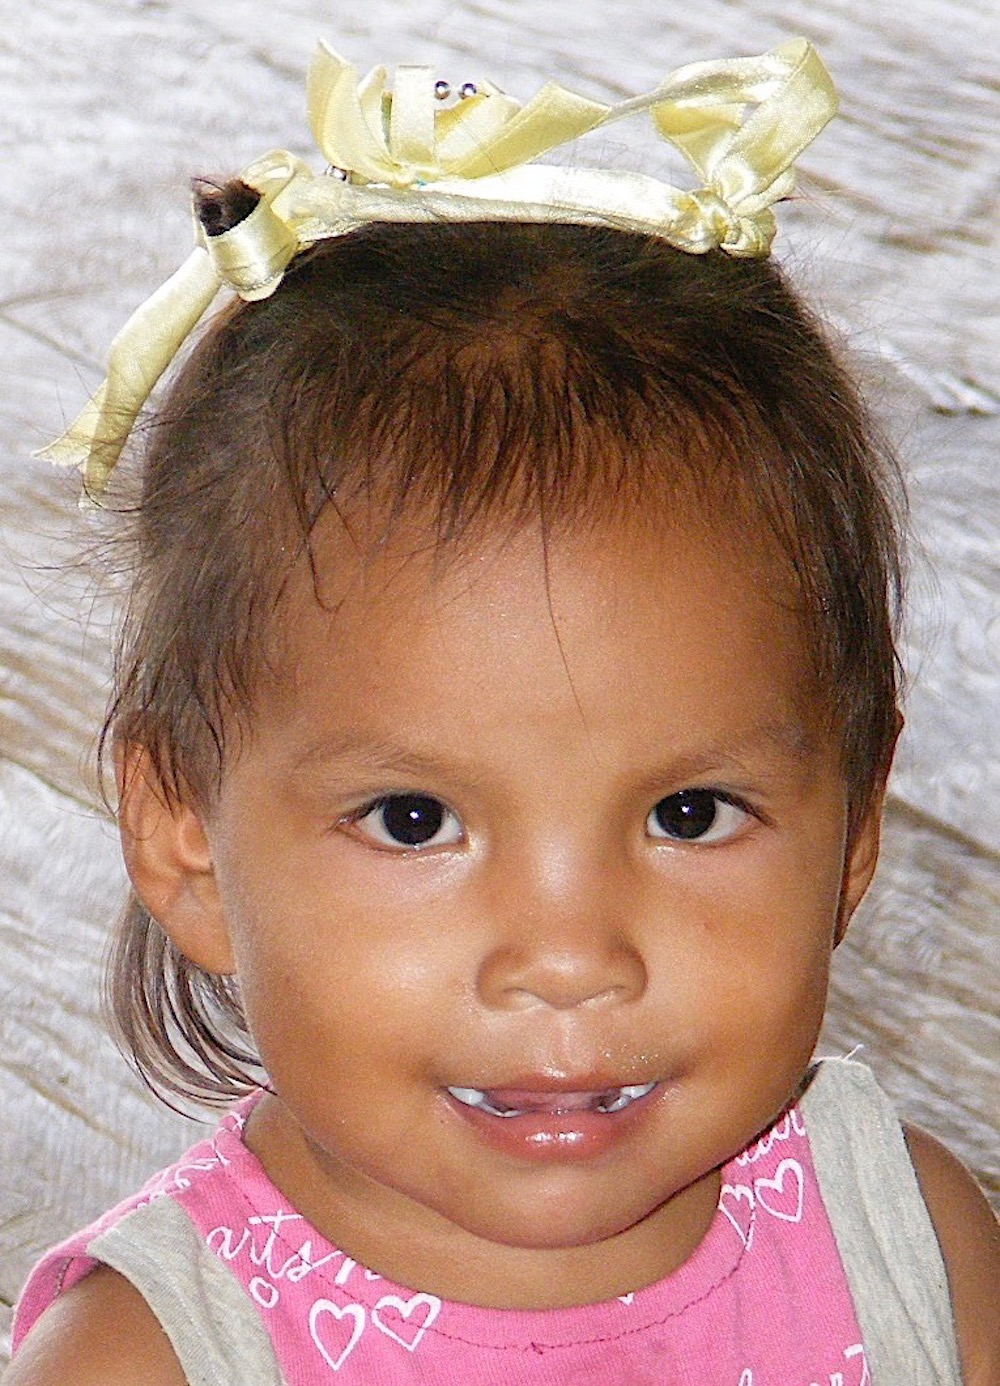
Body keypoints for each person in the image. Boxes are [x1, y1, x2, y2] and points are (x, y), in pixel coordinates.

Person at [6, 36, 998, 1386]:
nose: (569, 957)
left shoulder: (909, 1245)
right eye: (415, 820)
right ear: (186, 839)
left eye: (689, 813)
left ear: (857, 829)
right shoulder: (149, 1362)